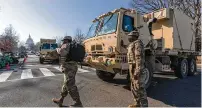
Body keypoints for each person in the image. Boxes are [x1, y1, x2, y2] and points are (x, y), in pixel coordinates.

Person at [48, 36, 83, 107]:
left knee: (70, 85)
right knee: (65, 84)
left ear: (66, 40)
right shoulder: (73, 47)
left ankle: (78, 103)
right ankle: (60, 100)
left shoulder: (66, 45)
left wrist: (56, 50)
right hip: (72, 67)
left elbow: (61, 53)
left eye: (63, 40)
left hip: (69, 68)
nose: (63, 42)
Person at [127, 29, 148, 107]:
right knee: (134, 87)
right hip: (132, 68)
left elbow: (139, 58)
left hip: (136, 68)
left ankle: (144, 105)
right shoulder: (132, 44)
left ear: (134, 36)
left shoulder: (138, 44)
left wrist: (137, 70)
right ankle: (137, 104)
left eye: (130, 36)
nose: (128, 37)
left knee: (140, 88)